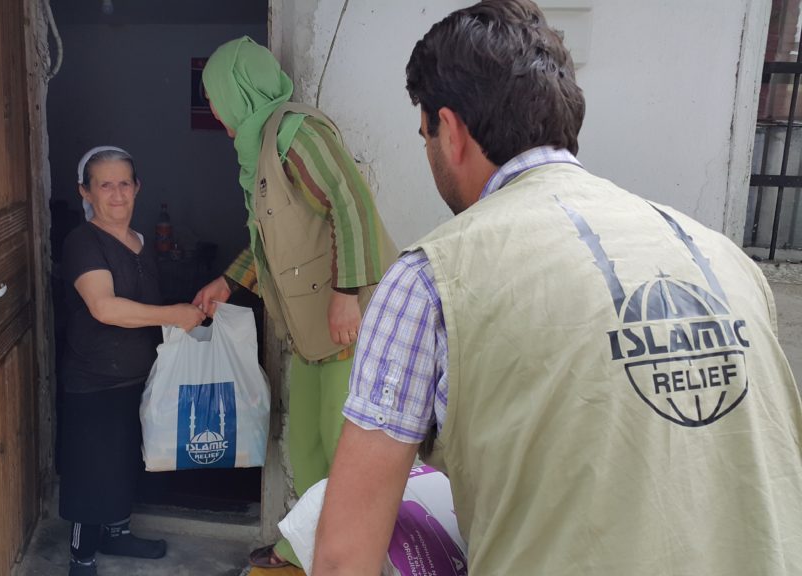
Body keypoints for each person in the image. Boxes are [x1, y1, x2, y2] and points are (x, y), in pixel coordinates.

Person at [313, 2, 802, 575]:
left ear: (450, 132)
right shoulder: (724, 258)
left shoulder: (431, 280)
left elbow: (345, 556)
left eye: (425, 136)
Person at [191, 36, 397, 569]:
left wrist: (348, 295)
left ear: (237, 91)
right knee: (304, 443)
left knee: (342, 448)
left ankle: (352, 557)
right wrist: (227, 282)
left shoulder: (297, 133)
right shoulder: (260, 149)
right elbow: (273, 239)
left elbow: (351, 205)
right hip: (309, 329)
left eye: (214, 95)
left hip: (347, 322)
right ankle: (304, 545)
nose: (213, 109)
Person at [58, 146, 206, 576]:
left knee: (126, 461)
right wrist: (173, 316)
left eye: (125, 183)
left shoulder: (140, 241)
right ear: (85, 192)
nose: (117, 193)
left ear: (137, 188)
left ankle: (119, 535)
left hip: (140, 373)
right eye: (105, 185)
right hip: (94, 377)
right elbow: (104, 308)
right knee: (91, 471)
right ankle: (81, 558)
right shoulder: (81, 242)